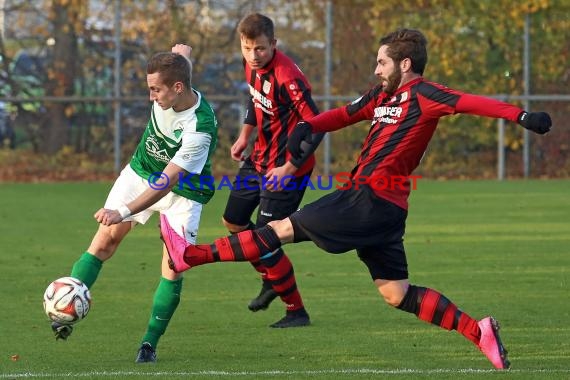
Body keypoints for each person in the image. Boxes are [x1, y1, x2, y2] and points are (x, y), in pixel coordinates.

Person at [160, 28, 552, 369]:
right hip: (384, 211)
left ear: (405, 64)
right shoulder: (380, 97)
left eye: (382, 62)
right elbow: (342, 115)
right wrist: (307, 125)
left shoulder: (425, 94)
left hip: (369, 199)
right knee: (396, 293)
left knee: (278, 229)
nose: (377, 69)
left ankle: (190, 256)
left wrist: (520, 117)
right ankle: (476, 330)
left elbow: (471, 102)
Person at [50, 44, 219, 364]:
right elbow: (181, 67)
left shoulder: (200, 127)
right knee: (103, 242)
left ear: (177, 88)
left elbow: (168, 181)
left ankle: (149, 344)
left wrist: (123, 211)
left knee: (173, 266)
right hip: (141, 172)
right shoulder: (177, 82)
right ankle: (65, 311)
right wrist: (182, 56)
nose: (151, 97)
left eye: (156, 90)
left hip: (184, 190)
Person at [221, 13, 323, 328]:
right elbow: (256, 100)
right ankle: (271, 275)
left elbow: (316, 126)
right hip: (259, 159)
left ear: (274, 44)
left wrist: (290, 167)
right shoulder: (251, 64)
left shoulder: (288, 77)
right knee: (234, 221)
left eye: (261, 49)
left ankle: (296, 312)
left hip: (287, 168)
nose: (254, 55)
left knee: (266, 239)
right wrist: (244, 136)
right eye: (248, 48)